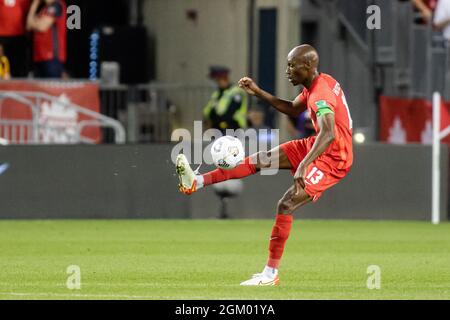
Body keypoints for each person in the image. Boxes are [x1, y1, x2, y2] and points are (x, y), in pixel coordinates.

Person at [175, 44, 353, 286]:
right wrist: (258, 92)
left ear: (308, 66)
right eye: (287, 65)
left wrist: (304, 164)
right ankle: (197, 181)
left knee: (286, 204)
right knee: (260, 160)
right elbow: (291, 108)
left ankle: (270, 274)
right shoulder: (316, 84)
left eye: (292, 65)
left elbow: (329, 132)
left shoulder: (321, 93)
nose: (287, 71)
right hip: (318, 145)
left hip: (333, 158)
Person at [26, 0, 67, 78]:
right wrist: (34, 5)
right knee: (39, 88)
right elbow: (28, 25)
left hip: (51, 58)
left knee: (52, 88)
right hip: (39, 57)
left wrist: (35, 23)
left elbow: (42, 27)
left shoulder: (57, 5)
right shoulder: (44, 9)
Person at [203, 66, 248, 134]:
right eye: (216, 80)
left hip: (233, 128)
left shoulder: (236, 93)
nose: (217, 82)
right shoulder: (217, 94)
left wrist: (215, 120)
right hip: (217, 128)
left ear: (225, 79)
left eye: (218, 80)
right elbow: (209, 111)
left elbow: (230, 112)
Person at [0, 0, 30, 77]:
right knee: (3, 64)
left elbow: (27, 13)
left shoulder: (24, 1)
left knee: (18, 66)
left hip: (18, 37)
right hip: (2, 37)